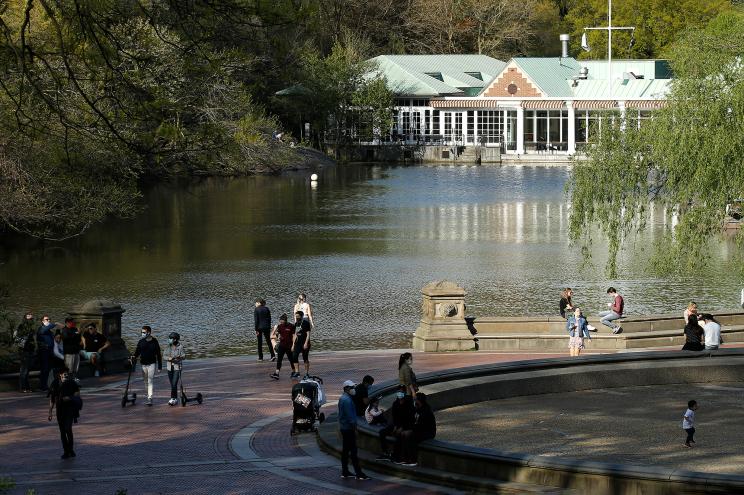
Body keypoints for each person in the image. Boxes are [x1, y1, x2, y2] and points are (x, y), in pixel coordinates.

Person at [337, 380, 370, 480]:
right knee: (353, 451)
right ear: (346, 388)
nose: (353, 389)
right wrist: (355, 430)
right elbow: (351, 418)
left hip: (344, 428)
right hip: (349, 429)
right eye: (351, 387)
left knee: (346, 451)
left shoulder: (342, 398)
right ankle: (358, 473)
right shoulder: (347, 400)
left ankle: (345, 471)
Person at [48, 367, 81, 459]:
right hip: (60, 410)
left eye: (66, 372)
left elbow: (78, 393)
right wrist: (50, 412)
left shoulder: (72, 382)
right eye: (63, 372)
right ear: (60, 375)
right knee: (62, 431)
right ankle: (66, 451)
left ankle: (71, 449)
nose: (66, 374)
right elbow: (52, 399)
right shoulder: (55, 384)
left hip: (69, 409)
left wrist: (70, 398)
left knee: (68, 428)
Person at [397, 392, 436, 467]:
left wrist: (410, 430)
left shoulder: (426, 411)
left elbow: (421, 426)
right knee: (403, 433)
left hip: (427, 432)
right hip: (419, 430)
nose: (414, 401)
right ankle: (404, 457)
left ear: (419, 401)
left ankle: (413, 460)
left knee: (409, 436)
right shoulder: (417, 408)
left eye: (415, 400)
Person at [377, 385, 415, 461]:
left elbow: (410, 418)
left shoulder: (409, 403)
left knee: (400, 435)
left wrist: (402, 428)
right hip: (397, 425)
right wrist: (396, 426)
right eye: (398, 392)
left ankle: (397, 455)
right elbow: (395, 417)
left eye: (401, 392)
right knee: (382, 432)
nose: (400, 393)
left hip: (407, 426)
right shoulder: (395, 403)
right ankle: (385, 452)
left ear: (404, 392)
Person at [133, 325, 162, 406]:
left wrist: (160, 366)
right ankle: (148, 395)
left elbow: (158, 354)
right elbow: (137, 352)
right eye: (142, 332)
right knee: (145, 382)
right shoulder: (141, 341)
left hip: (152, 364)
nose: (142, 334)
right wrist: (133, 357)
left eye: (144, 332)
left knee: (150, 381)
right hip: (143, 364)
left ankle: (150, 398)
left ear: (149, 332)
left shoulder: (155, 341)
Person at [14, 311, 36, 392]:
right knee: (24, 369)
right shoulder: (22, 325)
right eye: (28, 315)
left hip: (30, 349)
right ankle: (23, 387)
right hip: (24, 350)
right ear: (25, 317)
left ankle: (27, 387)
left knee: (27, 369)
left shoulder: (32, 326)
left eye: (31, 315)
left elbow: (33, 337)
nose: (30, 316)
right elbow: (20, 336)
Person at [270, 314, 297, 380]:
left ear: (285, 321)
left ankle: (294, 371)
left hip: (289, 345)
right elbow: (272, 336)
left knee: (291, 359)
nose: (281, 323)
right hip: (282, 345)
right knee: (279, 359)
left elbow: (294, 336)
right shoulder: (279, 326)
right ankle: (277, 373)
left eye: (282, 322)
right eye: (280, 322)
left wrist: (293, 345)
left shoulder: (291, 326)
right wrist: (275, 329)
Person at [163, 332, 185, 406]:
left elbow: (184, 356)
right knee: (172, 384)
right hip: (169, 367)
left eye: (171, 338)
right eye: (169, 338)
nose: (169, 340)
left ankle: (172, 398)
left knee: (174, 383)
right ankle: (175, 398)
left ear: (175, 339)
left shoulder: (180, 347)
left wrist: (179, 358)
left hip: (177, 367)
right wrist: (169, 358)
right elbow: (164, 356)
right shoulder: (167, 346)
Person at [36, 316, 56, 391]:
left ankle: (46, 385)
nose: (48, 320)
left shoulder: (49, 331)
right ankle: (42, 386)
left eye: (49, 319)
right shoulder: (41, 329)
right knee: (44, 369)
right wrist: (54, 324)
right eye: (46, 319)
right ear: (42, 321)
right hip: (44, 351)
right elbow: (46, 329)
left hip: (50, 351)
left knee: (48, 369)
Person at [292, 310, 312, 378]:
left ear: (302, 316)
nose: (297, 317)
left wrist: (306, 343)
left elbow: (308, 334)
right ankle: (297, 372)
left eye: (298, 316)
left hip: (304, 342)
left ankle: (306, 373)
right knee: (294, 356)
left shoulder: (306, 323)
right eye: (296, 316)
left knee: (305, 358)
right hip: (297, 343)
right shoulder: (296, 324)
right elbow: (295, 335)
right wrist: (293, 345)